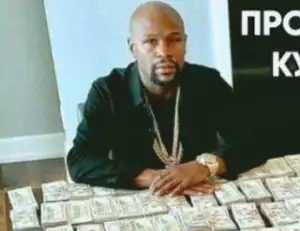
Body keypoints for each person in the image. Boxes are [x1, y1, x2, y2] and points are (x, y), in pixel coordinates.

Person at [67, 1, 261, 196]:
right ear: (133, 48)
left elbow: (252, 141)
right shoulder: (109, 91)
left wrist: (204, 166)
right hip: (143, 196)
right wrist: (153, 178)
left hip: (204, 192)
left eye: (174, 40)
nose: (164, 52)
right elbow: (79, 160)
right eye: (151, 41)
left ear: (185, 43)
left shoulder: (207, 82)